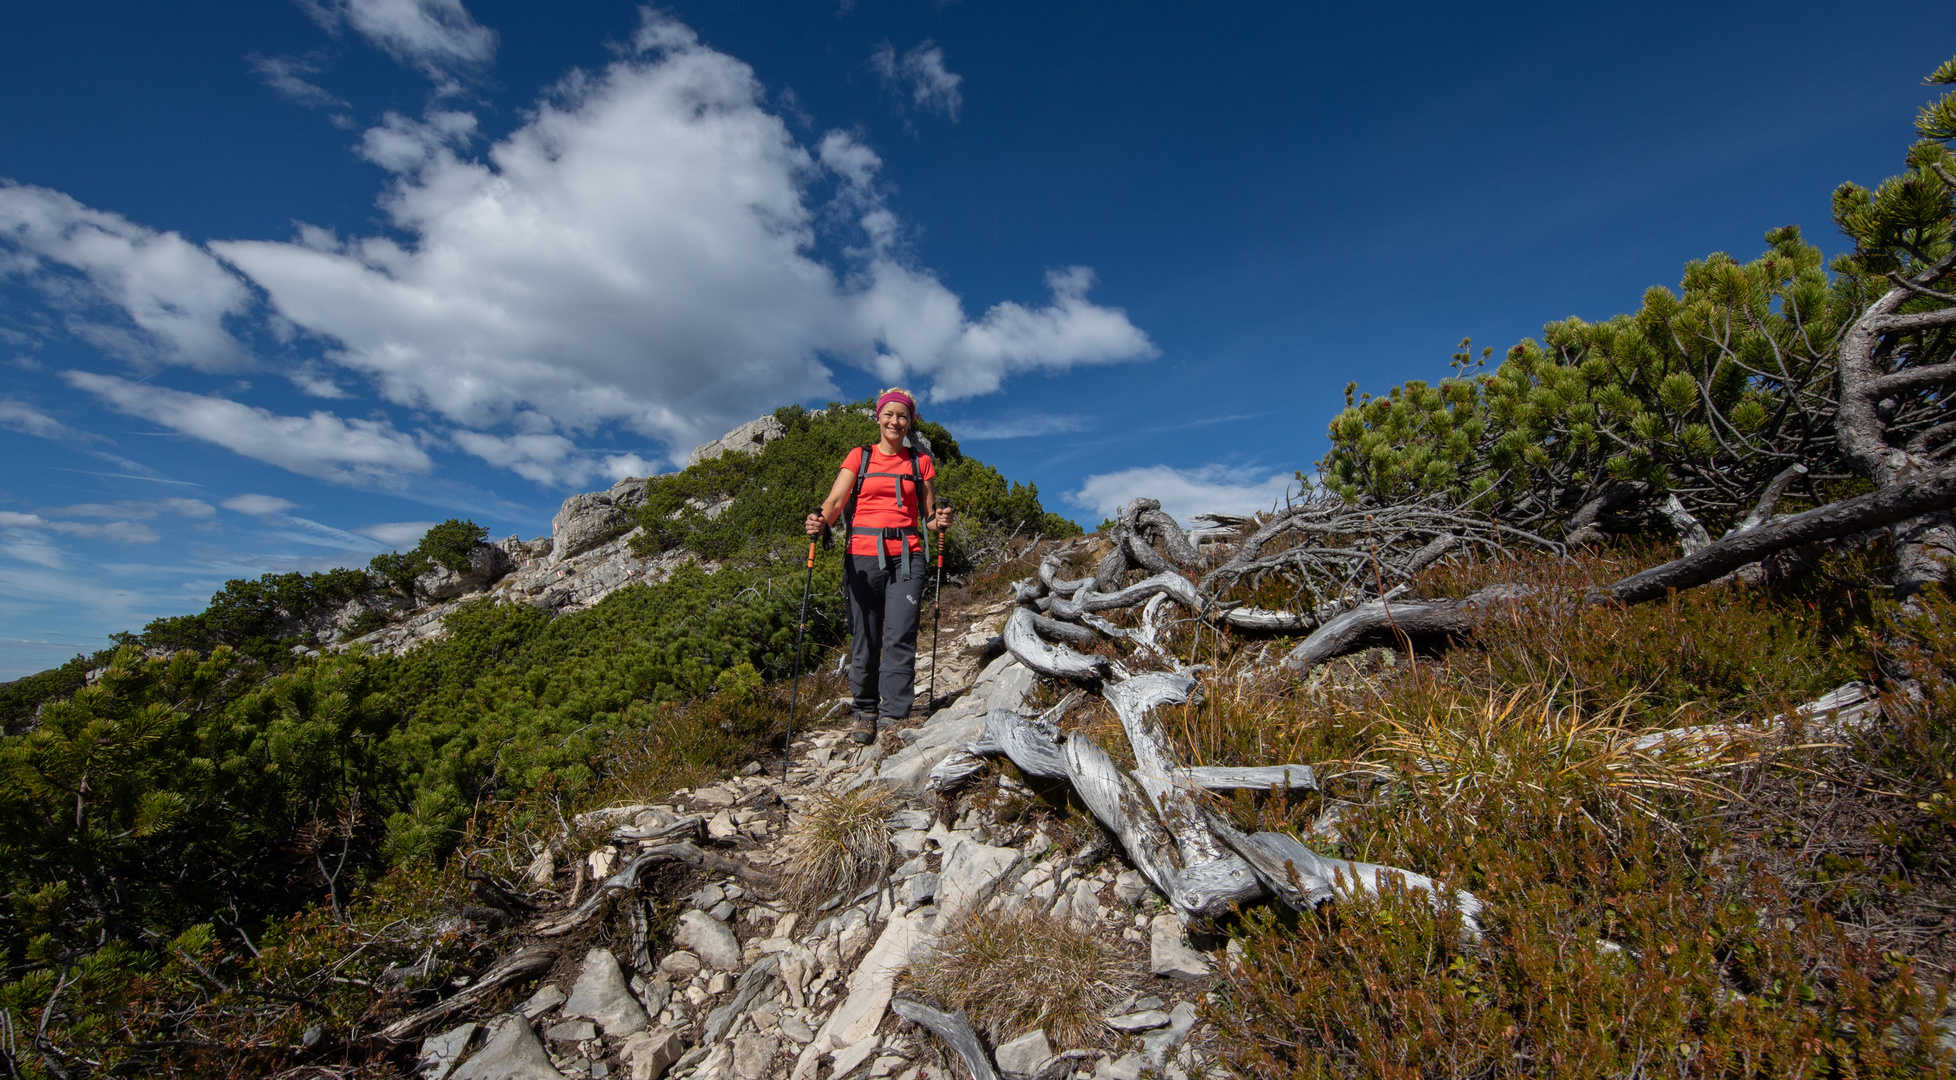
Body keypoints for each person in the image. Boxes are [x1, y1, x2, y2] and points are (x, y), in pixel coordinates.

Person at [806, 388, 955, 744]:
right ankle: (865, 710)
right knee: (865, 636)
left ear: (910, 422)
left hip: (908, 555)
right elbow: (836, 500)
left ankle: (894, 715)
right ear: (878, 417)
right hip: (861, 555)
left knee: (900, 634)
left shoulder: (920, 463)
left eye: (902, 416)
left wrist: (942, 520)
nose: (895, 421)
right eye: (889, 415)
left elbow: (929, 517)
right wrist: (820, 522)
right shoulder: (860, 457)